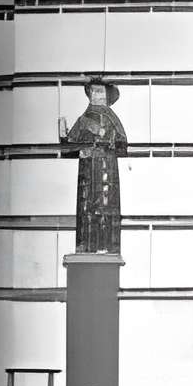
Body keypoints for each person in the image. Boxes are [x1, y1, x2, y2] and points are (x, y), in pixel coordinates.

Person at [59, 77, 128, 255]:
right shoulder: (83, 120)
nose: (95, 95)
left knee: (105, 208)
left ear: (107, 95)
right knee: (86, 208)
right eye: (93, 91)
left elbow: (122, 143)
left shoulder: (112, 119)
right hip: (87, 171)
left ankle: (107, 247)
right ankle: (85, 247)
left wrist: (104, 139)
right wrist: (63, 135)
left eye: (100, 91)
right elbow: (69, 148)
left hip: (106, 169)